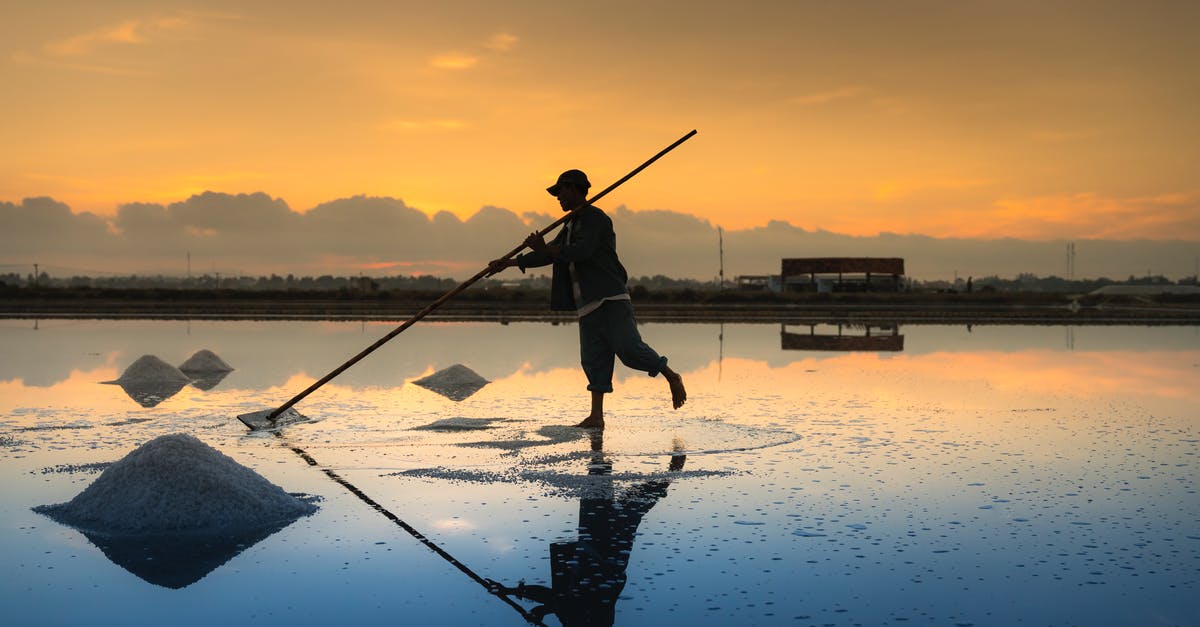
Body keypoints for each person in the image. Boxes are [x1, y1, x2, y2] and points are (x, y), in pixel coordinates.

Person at [488, 169, 686, 429]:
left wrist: (545, 247)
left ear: (573, 189)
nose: (558, 198)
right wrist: (509, 263)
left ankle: (671, 376)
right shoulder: (570, 224)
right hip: (587, 304)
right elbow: (549, 255)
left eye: (560, 192)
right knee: (594, 358)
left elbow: (580, 251)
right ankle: (596, 416)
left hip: (610, 297)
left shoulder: (595, 219)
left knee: (628, 349)